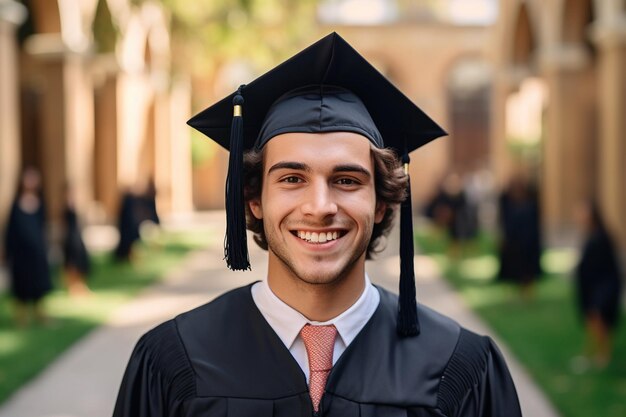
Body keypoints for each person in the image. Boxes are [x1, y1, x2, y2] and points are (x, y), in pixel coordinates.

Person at [113, 33, 521, 416]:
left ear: (381, 202)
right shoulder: (173, 363)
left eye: (347, 180)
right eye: (292, 179)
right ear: (255, 199)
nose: (320, 206)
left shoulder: (460, 368)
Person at [574, 200, 622, 368]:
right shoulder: (591, 233)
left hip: (604, 284)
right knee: (592, 319)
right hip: (594, 285)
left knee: (599, 317)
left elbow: (605, 265)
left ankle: (603, 354)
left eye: (583, 212)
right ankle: (592, 352)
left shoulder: (601, 236)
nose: (579, 216)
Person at [3, 166, 52, 326]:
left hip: (36, 251)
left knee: (38, 281)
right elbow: (10, 230)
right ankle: (22, 314)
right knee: (22, 282)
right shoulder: (16, 204)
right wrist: (7, 251)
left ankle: (40, 312)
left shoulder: (40, 203)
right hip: (21, 253)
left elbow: (43, 227)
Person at [497, 173, 542, 299]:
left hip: (527, 243)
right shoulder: (507, 202)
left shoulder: (530, 203)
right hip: (513, 242)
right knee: (511, 270)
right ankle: (511, 294)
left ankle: (527, 294)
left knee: (527, 271)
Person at [62, 184, 91, 296]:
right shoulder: (65, 209)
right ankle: (72, 286)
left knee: (81, 262)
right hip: (69, 239)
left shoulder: (75, 207)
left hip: (77, 237)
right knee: (71, 263)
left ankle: (80, 286)